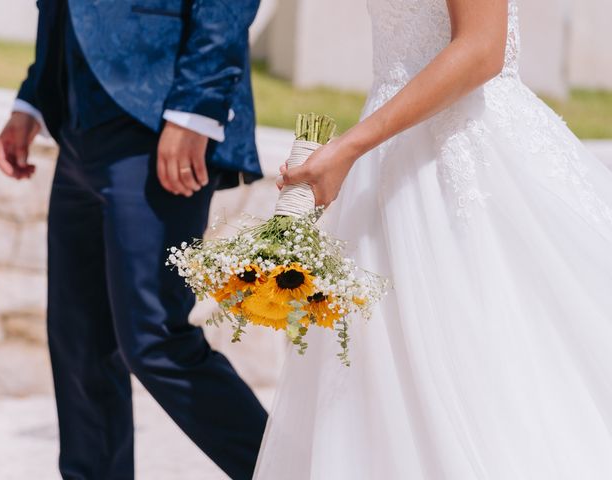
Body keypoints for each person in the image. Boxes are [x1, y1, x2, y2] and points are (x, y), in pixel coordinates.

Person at [258, 0, 612, 478]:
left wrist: (351, 147)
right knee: (376, 387)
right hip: (388, 156)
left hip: (465, 160)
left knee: (484, 376)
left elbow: (482, 48)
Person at [0, 1, 267, 479]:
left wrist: (194, 107)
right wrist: (33, 99)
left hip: (160, 109)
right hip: (79, 119)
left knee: (156, 337)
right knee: (78, 337)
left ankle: (288, 470)